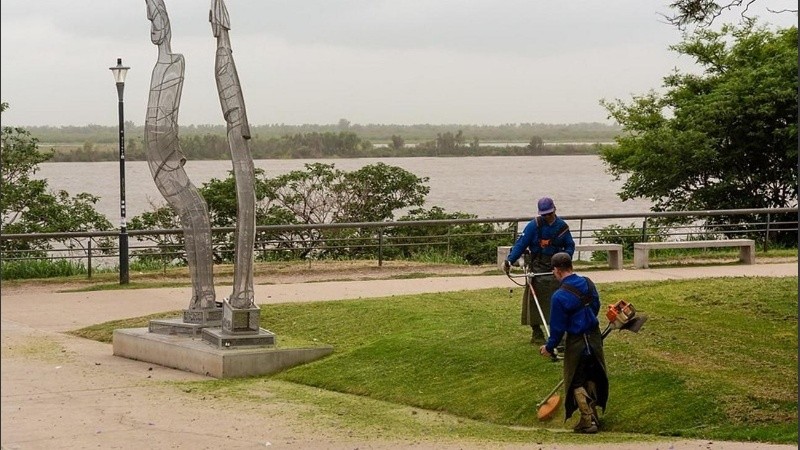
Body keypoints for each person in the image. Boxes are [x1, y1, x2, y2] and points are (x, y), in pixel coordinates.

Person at [145, 0, 217, 311]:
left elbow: (166, 117)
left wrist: (174, 151)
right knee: (196, 214)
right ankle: (203, 295)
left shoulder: (174, 64)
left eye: (157, 21)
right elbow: (157, 123)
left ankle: (203, 295)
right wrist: (170, 155)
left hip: (167, 161)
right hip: (164, 165)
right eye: (151, 22)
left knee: (198, 215)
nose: (154, 29)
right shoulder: (163, 68)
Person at [210, 0, 257, 309]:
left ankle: (243, 292)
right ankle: (241, 292)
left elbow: (233, 101)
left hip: (237, 133)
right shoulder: (222, 55)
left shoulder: (224, 57)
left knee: (247, 209)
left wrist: (239, 129)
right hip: (236, 132)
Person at [539, 252, 608, 434]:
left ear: (557, 270)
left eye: (554, 270)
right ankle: (594, 416)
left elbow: (557, 328)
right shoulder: (588, 283)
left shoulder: (559, 296)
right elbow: (596, 306)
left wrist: (549, 347)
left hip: (577, 342)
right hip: (595, 339)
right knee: (592, 375)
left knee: (576, 380)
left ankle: (587, 420)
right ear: (571, 266)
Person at [502, 197, 575, 344]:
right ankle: (536, 332)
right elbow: (521, 244)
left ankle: (559, 333)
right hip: (537, 267)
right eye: (544, 214)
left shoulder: (562, 227)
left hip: (556, 268)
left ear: (555, 210)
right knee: (533, 301)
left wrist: (565, 259)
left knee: (558, 300)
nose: (547, 217)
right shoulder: (533, 226)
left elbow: (570, 246)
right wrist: (509, 260)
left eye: (549, 213)